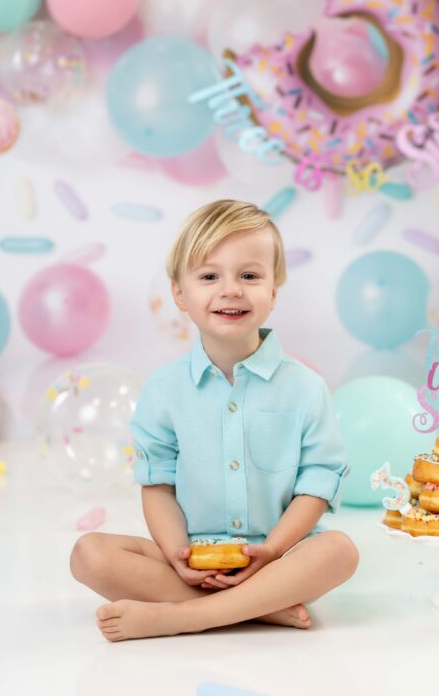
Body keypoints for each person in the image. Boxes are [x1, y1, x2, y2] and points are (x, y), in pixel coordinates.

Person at [70, 199, 358, 642]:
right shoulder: (164, 390)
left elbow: (317, 483)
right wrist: (176, 554)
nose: (231, 290)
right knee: (89, 555)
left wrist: (273, 550)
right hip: (192, 564)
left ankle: (182, 618)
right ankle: (260, 611)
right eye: (209, 276)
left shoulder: (306, 387)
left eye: (250, 275)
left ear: (273, 293)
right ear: (180, 294)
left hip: (281, 562)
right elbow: (158, 486)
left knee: (340, 551)